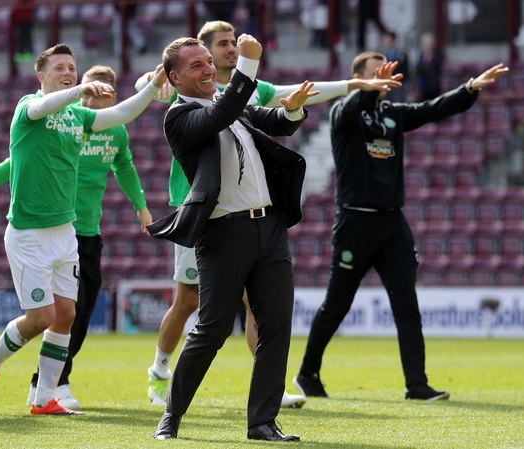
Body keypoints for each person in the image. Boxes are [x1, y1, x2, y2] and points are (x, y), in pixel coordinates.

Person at [135, 20, 398, 410]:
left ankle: (266, 394)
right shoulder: (188, 105)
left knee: (261, 308)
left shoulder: (238, 92)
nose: (223, 54)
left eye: (225, 48)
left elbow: (283, 104)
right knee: (192, 305)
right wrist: (242, 65)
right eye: (218, 46)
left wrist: (341, 90)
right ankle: (161, 373)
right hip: (203, 217)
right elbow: (158, 92)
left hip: (257, 221)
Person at [292, 53, 508, 401]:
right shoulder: (343, 114)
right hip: (355, 222)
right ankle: (307, 373)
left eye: (387, 70)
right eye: (377, 71)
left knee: (406, 302)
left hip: (392, 223)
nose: (385, 75)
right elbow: (348, 107)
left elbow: (432, 108)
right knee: (337, 304)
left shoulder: (392, 114)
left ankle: (416, 385)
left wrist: (469, 88)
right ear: (358, 78)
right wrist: (364, 90)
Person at [0, 44, 167, 415]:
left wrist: (154, 85)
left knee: (66, 316)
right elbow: (44, 106)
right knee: (41, 318)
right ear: (41, 75)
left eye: (72, 67)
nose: (68, 72)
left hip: (65, 232)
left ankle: (44, 399)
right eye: (59, 67)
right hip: (28, 233)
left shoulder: (78, 117)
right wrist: (80, 91)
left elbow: (123, 113)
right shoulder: (27, 108)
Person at [146, 34, 315, 442]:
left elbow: (270, 120)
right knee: (212, 329)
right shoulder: (179, 116)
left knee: (276, 326)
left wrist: (292, 111)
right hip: (224, 234)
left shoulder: (230, 105)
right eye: (197, 66)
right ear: (175, 78)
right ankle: (172, 414)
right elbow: (222, 114)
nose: (208, 69)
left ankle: (261, 423)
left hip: (270, 229)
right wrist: (249, 65)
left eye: (209, 61)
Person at [379, 30, 408, 103]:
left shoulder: (401, 54)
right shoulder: (382, 54)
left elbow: (405, 70)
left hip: (397, 83)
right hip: (385, 84)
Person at [416, 32, 443, 101]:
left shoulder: (437, 56)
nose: (427, 46)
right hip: (423, 87)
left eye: (429, 44)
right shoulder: (420, 57)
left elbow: (433, 68)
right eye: (425, 44)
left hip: (434, 87)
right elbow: (418, 70)